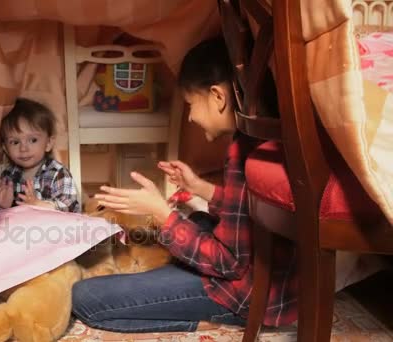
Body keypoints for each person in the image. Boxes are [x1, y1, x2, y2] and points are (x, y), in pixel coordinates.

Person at [71, 37, 298, 332]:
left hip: (247, 296)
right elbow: (248, 213)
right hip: (273, 285)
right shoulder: (262, 136)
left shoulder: (246, 153)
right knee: (199, 221)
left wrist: (162, 215)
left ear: (218, 96)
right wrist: (200, 187)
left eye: (191, 104)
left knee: (85, 298)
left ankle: (204, 320)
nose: (190, 116)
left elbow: (229, 264)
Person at [0, 98, 80, 214]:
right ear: (5, 149)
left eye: (33, 140)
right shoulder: (8, 176)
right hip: (20, 229)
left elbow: (69, 207)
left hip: (53, 228)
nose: (23, 148)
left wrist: (38, 205)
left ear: (48, 144)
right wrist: (3, 206)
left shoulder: (57, 172)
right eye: (15, 142)